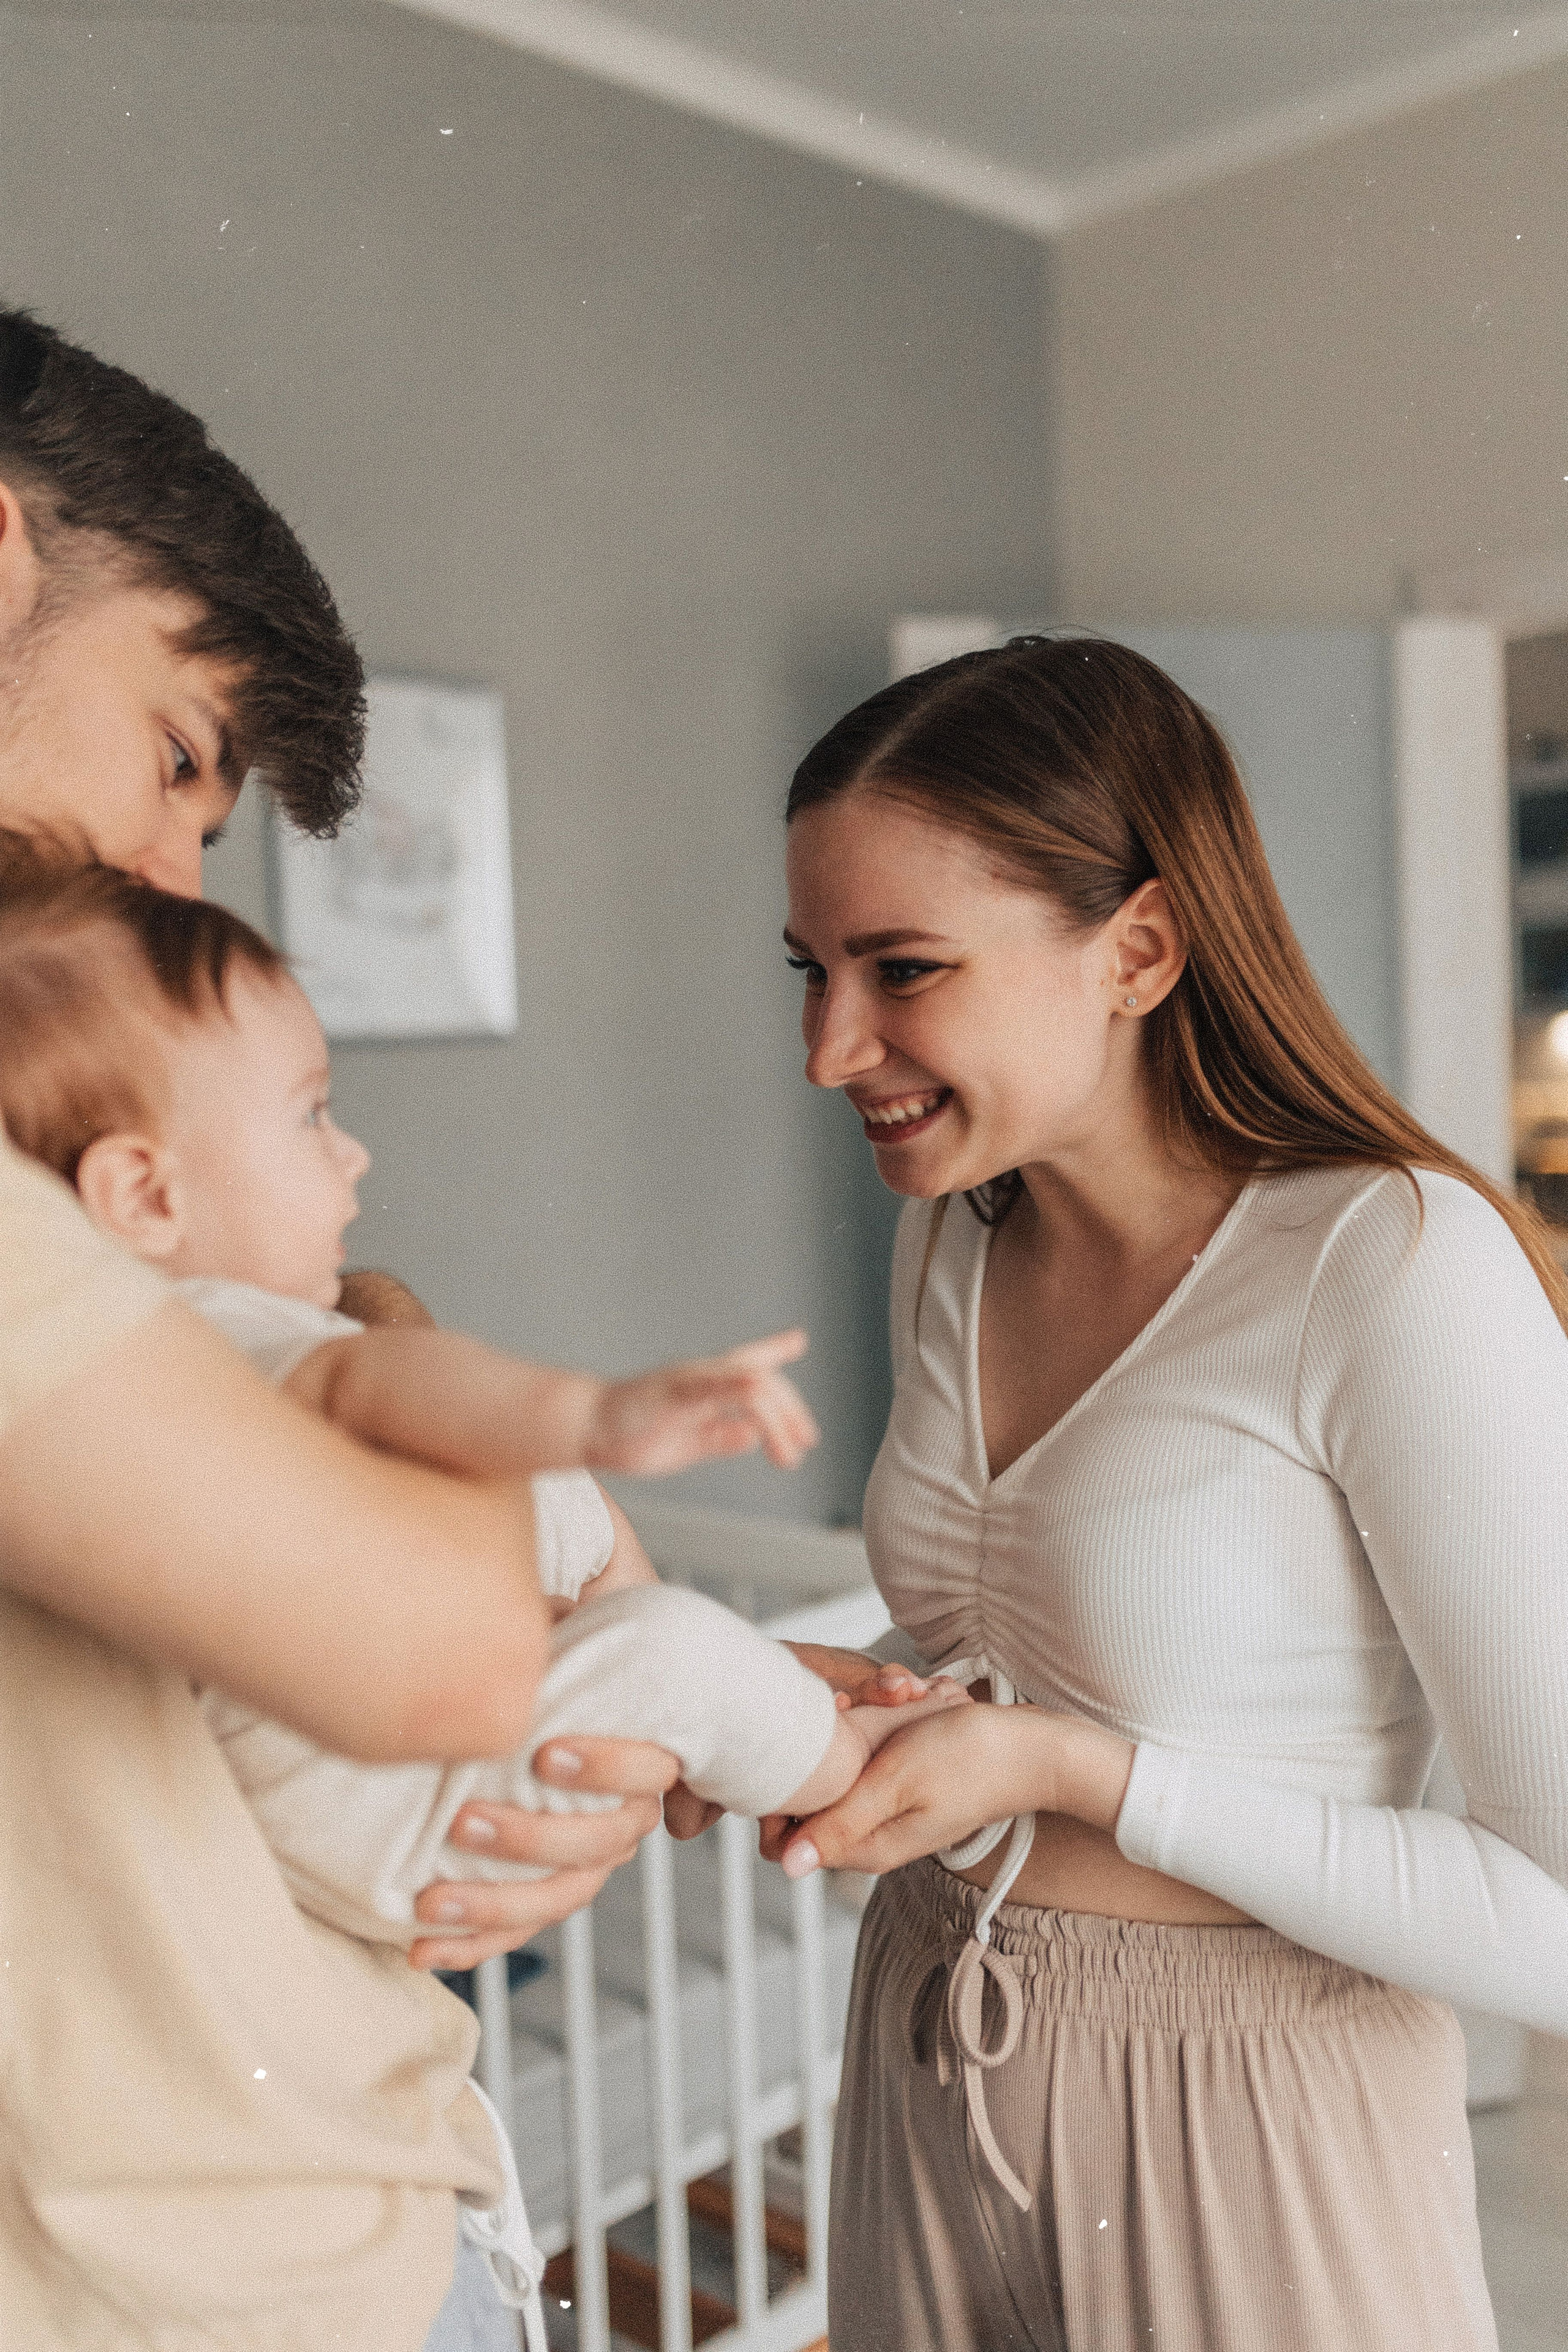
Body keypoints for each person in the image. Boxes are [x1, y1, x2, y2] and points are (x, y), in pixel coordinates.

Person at [0, 306, 690, 2348]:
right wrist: (388, 1347)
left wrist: (365, 1338)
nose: (167, 873)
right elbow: (453, 1658)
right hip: (227, 2290)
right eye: (174, 757)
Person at [769, 635, 1568, 2351]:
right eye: (811, 971)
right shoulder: (954, 1233)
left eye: (901, 969)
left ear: (1137, 948)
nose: (832, 1048)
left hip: (1253, 2128)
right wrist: (819, 1709)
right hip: (930, 2040)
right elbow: (1007, 1643)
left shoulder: (1389, 1261)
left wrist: (1082, 1774)